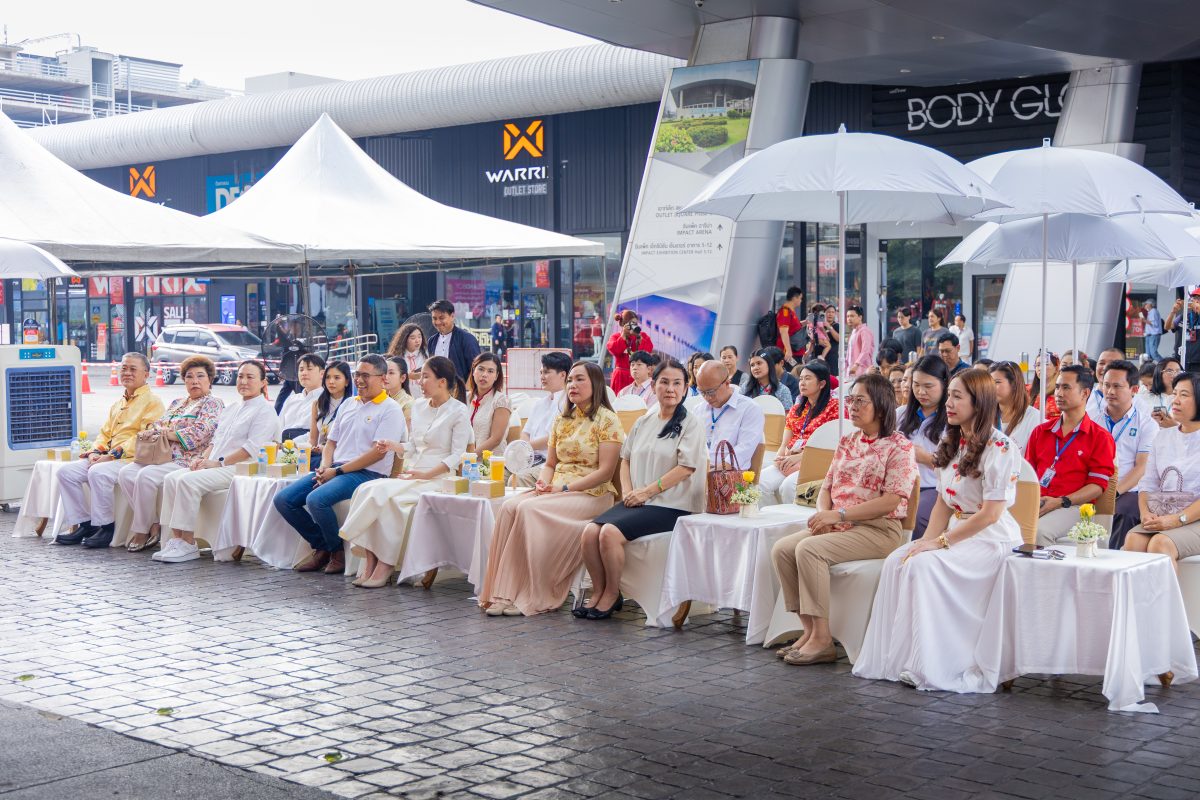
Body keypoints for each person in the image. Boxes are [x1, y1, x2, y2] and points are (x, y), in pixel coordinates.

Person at [854, 369, 1023, 692]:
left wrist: (940, 543)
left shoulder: (1001, 447)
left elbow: (990, 515)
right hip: (959, 531)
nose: (949, 404)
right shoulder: (953, 441)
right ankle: (896, 659)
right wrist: (926, 541)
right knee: (898, 560)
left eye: (958, 397)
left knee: (923, 566)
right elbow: (944, 503)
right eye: (950, 396)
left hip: (991, 539)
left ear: (979, 402)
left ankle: (930, 665)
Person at [771, 373, 918, 665]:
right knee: (782, 550)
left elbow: (891, 500)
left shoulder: (899, 447)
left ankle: (823, 639)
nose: (852, 406)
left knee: (809, 549)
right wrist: (824, 515)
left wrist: (838, 515)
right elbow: (827, 486)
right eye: (851, 399)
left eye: (860, 400)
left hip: (878, 530)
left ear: (881, 405)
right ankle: (809, 630)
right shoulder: (848, 441)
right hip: (841, 524)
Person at [479, 361, 624, 616]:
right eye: (570, 381)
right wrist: (544, 482)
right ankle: (502, 592)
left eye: (579, 379)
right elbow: (550, 464)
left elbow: (605, 472)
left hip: (593, 493)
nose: (572, 385)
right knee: (509, 507)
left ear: (596, 384)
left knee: (528, 510)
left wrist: (564, 488)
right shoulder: (562, 419)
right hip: (559, 488)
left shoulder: (608, 420)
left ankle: (530, 593)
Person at [578, 358, 706, 619]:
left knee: (609, 533)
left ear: (685, 389)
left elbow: (686, 468)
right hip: (639, 501)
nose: (670, 389)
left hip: (672, 505)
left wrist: (646, 492)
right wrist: (628, 492)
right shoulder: (643, 422)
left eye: (677, 384)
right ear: (654, 385)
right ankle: (599, 590)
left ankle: (613, 593)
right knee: (590, 532)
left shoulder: (691, 424)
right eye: (664, 382)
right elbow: (625, 459)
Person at [339, 356, 472, 587]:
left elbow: (457, 455)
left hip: (440, 478)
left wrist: (426, 475)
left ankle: (386, 564)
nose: (419, 382)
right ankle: (370, 561)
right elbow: (412, 446)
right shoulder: (419, 406)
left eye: (425, 377)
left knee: (392, 502)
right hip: (413, 474)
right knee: (368, 489)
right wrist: (393, 445)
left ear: (442, 382)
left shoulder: (459, 411)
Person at [274, 355, 408, 576]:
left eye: (365, 375)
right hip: (336, 468)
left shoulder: (390, 409)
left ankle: (337, 552)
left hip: (367, 473)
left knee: (316, 500)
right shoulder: (349, 403)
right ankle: (322, 546)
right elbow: (331, 442)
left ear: (383, 378)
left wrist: (336, 471)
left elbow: (377, 453)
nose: (359, 380)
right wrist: (324, 467)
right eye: (357, 375)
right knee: (284, 499)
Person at [154, 361, 281, 563]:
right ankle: (176, 539)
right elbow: (215, 440)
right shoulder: (232, 408)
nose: (244, 381)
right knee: (171, 478)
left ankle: (189, 543)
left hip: (242, 468)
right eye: (241, 376)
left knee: (187, 481)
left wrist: (219, 463)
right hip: (216, 464)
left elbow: (251, 449)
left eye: (250, 377)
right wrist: (202, 459)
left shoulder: (265, 411)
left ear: (263, 382)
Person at [54, 353, 165, 548]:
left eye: (133, 369)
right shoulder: (118, 403)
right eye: (124, 368)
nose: (127, 373)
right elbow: (104, 433)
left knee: (98, 472)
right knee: (65, 472)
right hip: (108, 457)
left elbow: (145, 436)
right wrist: (95, 452)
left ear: (146, 374)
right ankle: (85, 524)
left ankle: (106, 527)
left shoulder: (153, 402)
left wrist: (111, 455)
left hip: (133, 459)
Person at [118, 356, 224, 553]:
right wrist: (157, 431)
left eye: (200, 376)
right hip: (160, 455)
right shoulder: (178, 402)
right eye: (189, 377)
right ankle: (153, 524)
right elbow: (157, 424)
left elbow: (200, 432)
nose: (194, 381)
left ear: (210, 379)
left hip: (186, 459)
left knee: (146, 476)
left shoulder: (212, 403)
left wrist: (167, 433)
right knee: (126, 473)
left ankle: (141, 530)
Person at [1025, 365, 1116, 546]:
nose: (1059, 393)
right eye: (1057, 387)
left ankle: (1044, 566)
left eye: (1066, 387)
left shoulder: (1100, 437)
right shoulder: (1040, 431)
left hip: (1075, 506)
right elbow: (1028, 475)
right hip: (1038, 501)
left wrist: (1061, 501)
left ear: (1085, 393)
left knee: (1039, 532)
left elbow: (1097, 486)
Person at [1124, 372, 1200, 568]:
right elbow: (1147, 483)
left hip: (1193, 518)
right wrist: (1145, 514)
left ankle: (1171, 592)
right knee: (1133, 540)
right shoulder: (1163, 437)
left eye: (1184, 395)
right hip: (1165, 513)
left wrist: (1177, 519)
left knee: (1160, 543)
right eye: (1174, 393)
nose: (1175, 400)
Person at [1088, 359, 1157, 549]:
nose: (1110, 391)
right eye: (1106, 385)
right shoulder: (1093, 421)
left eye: (1117, 386)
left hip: (1129, 489)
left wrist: (1114, 492)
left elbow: (1141, 467)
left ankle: (1113, 560)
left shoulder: (1147, 425)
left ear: (1134, 389)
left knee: (1124, 512)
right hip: (1095, 485)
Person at [760, 360, 840, 503]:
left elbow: (832, 445)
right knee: (760, 482)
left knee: (788, 486)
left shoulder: (835, 407)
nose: (802, 383)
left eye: (808, 379)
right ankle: (774, 516)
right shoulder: (797, 409)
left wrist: (799, 457)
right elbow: (784, 444)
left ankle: (796, 518)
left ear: (822, 384)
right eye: (801, 379)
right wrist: (780, 457)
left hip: (816, 461)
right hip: (790, 459)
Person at [897, 356, 950, 538]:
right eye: (916, 385)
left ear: (944, 384)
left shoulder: (953, 419)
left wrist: (925, 458)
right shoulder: (900, 414)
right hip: (899, 484)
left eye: (928, 386)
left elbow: (957, 467)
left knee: (917, 517)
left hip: (933, 487)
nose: (921, 392)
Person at [514, 351, 571, 486]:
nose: (542, 377)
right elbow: (525, 432)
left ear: (562, 375)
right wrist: (525, 449)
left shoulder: (569, 404)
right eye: (541, 373)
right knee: (498, 474)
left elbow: (554, 438)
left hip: (550, 462)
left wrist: (527, 447)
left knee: (517, 479)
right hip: (529, 458)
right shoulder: (539, 403)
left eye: (546, 372)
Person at [696, 360, 764, 469]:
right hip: (698, 470)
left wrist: (711, 473)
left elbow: (743, 451)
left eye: (711, 392)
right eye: (702, 392)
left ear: (727, 383)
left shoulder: (750, 409)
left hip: (729, 474)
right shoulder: (699, 409)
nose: (707, 397)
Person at [467, 352, 513, 456]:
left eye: (490, 371)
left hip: (491, 461)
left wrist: (469, 457)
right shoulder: (466, 397)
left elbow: (495, 439)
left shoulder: (501, 400)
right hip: (465, 459)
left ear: (496, 376)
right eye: (481, 369)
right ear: (473, 371)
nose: (484, 375)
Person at [309, 361, 351, 471]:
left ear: (347, 381)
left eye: (337, 378)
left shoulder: (352, 405)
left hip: (338, 458)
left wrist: (324, 449)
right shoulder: (317, 404)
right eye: (327, 377)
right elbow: (313, 439)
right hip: (318, 456)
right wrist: (311, 449)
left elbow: (349, 445)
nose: (331, 381)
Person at [426, 299, 481, 383]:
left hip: (460, 388)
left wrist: (467, 388)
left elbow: (476, 367)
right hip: (437, 388)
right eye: (434, 318)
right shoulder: (432, 341)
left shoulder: (466, 339)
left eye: (441, 318)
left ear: (452, 316)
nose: (437, 322)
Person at [990, 361, 1040, 451]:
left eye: (997, 382)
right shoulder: (986, 416)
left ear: (1014, 384)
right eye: (989, 383)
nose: (990, 387)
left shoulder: (1034, 418)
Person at [278, 354, 325, 442]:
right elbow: (279, 428)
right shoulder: (291, 400)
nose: (304, 373)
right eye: (301, 369)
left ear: (322, 374)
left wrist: (292, 444)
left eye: (309, 369)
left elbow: (321, 434)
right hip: (283, 447)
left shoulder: (326, 400)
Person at [388, 322, 428, 398]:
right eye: (413, 338)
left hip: (423, 395)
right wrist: (409, 376)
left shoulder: (426, 355)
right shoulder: (397, 357)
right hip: (404, 396)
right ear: (404, 339)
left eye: (419, 337)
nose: (417, 341)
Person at [1148, 357, 1183, 429]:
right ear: (1159, 373)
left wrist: (1174, 426)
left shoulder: (1188, 400)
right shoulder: (1147, 398)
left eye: (1178, 371)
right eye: (1169, 371)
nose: (1175, 375)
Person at [775, 286, 805, 368]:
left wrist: (805, 322)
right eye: (800, 298)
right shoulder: (785, 312)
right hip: (790, 354)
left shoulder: (790, 311)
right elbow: (783, 332)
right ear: (795, 298)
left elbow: (793, 328)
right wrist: (788, 350)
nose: (801, 301)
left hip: (796, 352)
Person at [1029, 352, 1061, 419]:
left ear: (1056, 368)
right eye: (1038, 365)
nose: (1040, 368)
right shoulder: (1029, 391)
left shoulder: (1061, 392)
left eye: (1045, 364)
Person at [846, 306, 875, 379]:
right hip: (852, 371)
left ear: (860, 317)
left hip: (863, 370)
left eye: (852, 316)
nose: (849, 318)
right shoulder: (854, 331)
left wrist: (856, 365)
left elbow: (865, 351)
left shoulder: (864, 331)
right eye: (848, 316)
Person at [384, 356, 415, 423]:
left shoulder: (408, 404)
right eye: (384, 372)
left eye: (391, 373)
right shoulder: (382, 399)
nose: (385, 377)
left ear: (402, 378)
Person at [823, 305, 841, 373]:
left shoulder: (837, 326)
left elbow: (839, 339)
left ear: (835, 314)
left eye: (832, 312)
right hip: (818, 357)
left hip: (831, 359)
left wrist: (829, 327)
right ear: (824, 313)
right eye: (828, 312)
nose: (830, 314)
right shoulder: (820, 325)